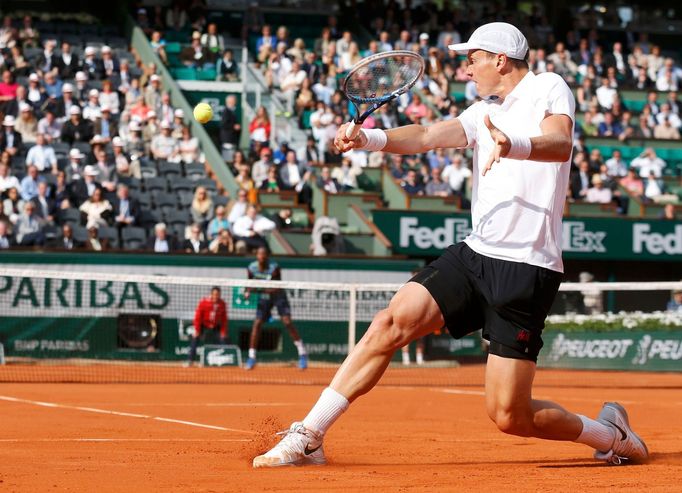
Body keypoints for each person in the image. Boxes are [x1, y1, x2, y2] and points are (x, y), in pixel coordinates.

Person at [253, 22, 648, 468]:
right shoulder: (482, 111)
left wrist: (512, 142)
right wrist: (371, 139)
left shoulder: (548, 87)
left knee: (510, 415)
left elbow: (560, 143)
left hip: (527, 267)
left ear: (500, 60)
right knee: (389, 322)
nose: (466, 69)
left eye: (472, 58)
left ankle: (610, 435)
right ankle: (309, 434)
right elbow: (424, 136)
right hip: (475, 254)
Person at [244, 247, 307, 371]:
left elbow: (276, 287)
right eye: (259, 254)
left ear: (267, 256)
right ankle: (251, 357)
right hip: (264, 298)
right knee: (257, 324)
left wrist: (257, 289)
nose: (261, 256)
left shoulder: (274, 267)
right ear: (256, 255)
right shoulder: (251, 268)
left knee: (287, 322)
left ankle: (302, 353)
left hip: (278, 296)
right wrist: (248, 291)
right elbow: (250, 283)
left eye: (264, 254)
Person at [187, 286, 228, 366]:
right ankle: (190, 360)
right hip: (203, 326)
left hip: (216, 326)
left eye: (218, 294)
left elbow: (224, 319)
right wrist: (197, 330)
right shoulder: (203, 303)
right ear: (211, 294)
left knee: (224, 340)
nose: (216, 296)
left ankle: (224, 362)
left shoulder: (222, 304)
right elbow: (197, 318)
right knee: (195, 339)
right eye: (215, 294)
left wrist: (223, 332)